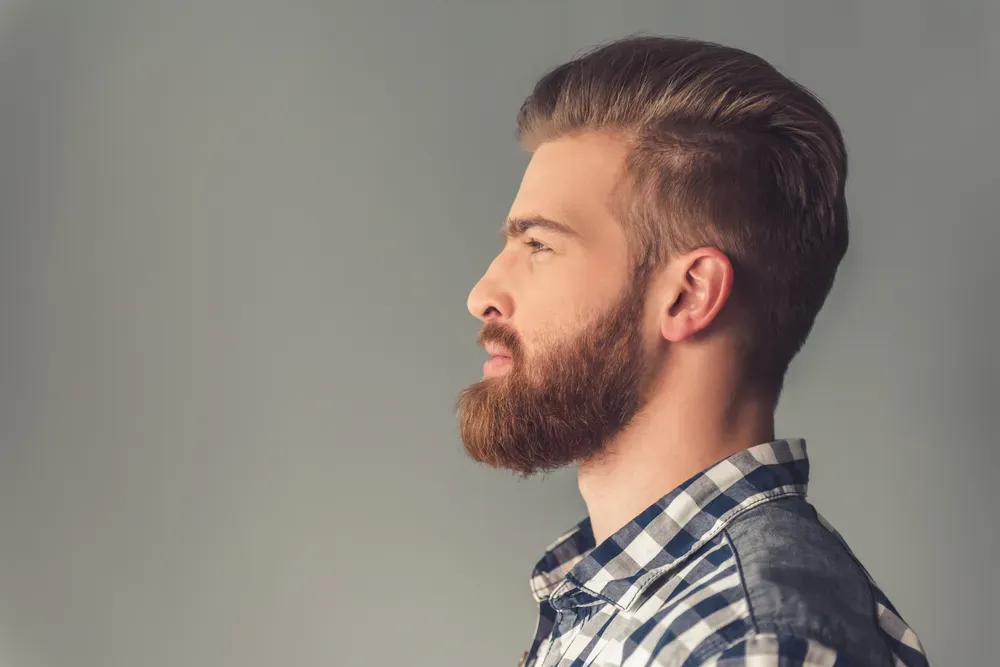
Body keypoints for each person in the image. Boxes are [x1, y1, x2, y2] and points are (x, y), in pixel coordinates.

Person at [455, 36, 929, 667]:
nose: (482, 295)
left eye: (539, 245)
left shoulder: (753, 646)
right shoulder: (634, 602)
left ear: (688, 295)